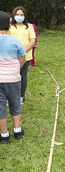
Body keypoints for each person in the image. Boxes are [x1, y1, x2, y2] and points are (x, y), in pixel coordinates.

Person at [0, 11, 26, 144]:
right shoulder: (15, 41)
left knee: (0, 108)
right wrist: (15, 70)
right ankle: (17, 130)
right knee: (15, 104)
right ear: (10, 26)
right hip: (13, 79)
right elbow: (22, 59)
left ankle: (4, 135)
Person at [9, 6, 36, 104]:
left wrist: (22, 52)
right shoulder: (9, 26)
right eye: (17, 14)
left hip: (25, 56)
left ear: (24, 16)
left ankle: (21, 96)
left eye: (21, 15)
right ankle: (11, 96)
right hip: (11, 56)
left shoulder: (29, 26)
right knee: (11, 76)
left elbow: (32, 41)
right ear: (13, 15)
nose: (19, 16)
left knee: (22, 76)